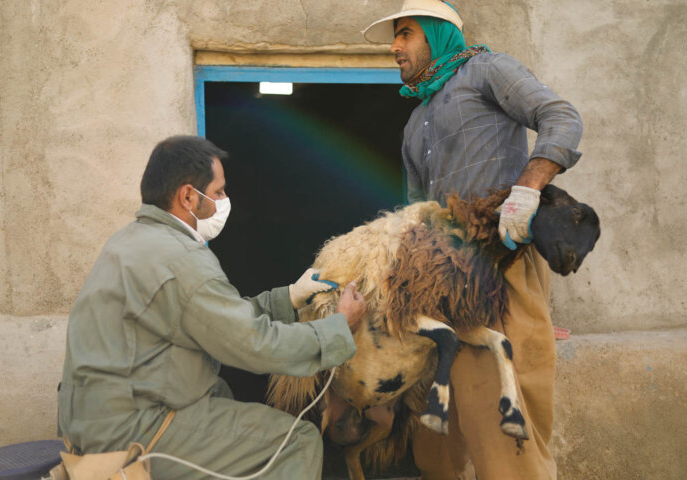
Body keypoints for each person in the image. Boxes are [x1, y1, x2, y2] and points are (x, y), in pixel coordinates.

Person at [57, 135, 367, 479]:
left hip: (91, 420)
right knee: (296, 440)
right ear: (188, 196)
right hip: (135, 427)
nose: (224, 201)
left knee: (220, 394)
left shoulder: (127, 242)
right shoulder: (182, 258)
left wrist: (289, 298)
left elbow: (211, 319)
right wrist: (338, 328)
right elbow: (252, 344)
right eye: (218, 192)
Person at [363, 1, 583, 479]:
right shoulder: (414, 122)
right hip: (442, 285)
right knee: (437, 441)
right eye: (394, 38)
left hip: (498, 269)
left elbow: (561, 117)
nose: (395, 47)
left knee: (503, 431)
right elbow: (415, 212)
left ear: (439, 33)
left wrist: (527, 189)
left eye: (405, 33)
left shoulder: (487, 70)